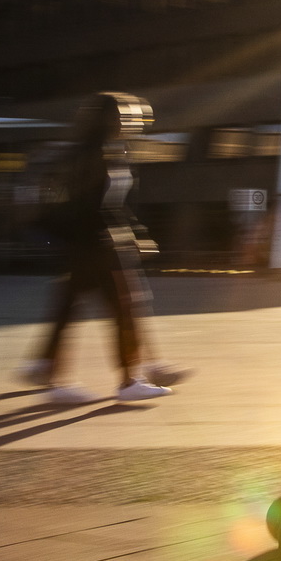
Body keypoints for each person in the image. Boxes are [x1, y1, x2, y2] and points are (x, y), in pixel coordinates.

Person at [21, 92, 182, 403]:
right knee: (124, 306)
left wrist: (132, 233)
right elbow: (91, 206)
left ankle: (50, 370)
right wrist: (119, 238)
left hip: (92, 244)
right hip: (96, 245)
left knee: (78, 307)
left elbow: (110, 205)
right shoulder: (95, 154)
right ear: (113, 119)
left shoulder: (103, 151)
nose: (134, 122)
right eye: (128, 116)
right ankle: (128, 380)